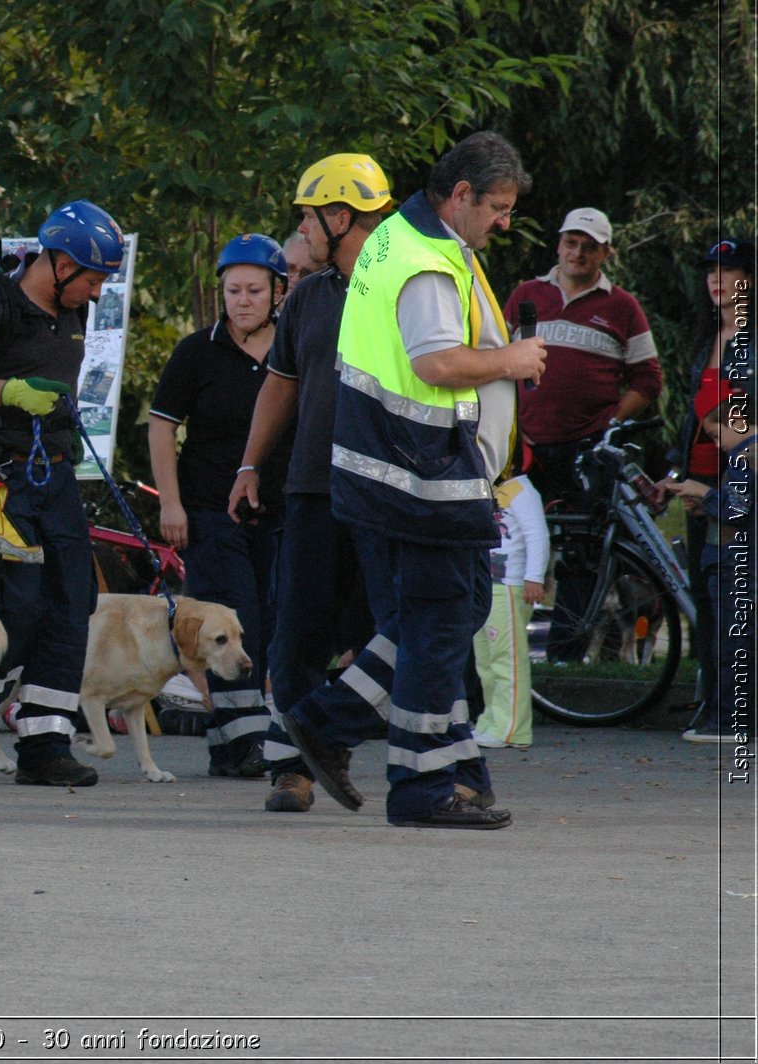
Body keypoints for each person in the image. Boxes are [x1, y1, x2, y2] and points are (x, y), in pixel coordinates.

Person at [280, 131, 547, 829]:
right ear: (459, 195)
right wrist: (513, 359)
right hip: (422, 469)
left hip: (395, 467)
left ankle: (447, 762)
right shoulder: (426, 261)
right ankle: (415, 779)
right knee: (439, 621)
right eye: (498, 205)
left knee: (433, 619)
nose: (505, 221)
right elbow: (436, 364)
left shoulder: (396, 242)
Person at [0, 199, 124, 787]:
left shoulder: (72, 308)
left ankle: (45, 745)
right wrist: (10, 390)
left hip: (53, 472)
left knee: (72, 600)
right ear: (59, 262)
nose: (94, 293)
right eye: (90, 278)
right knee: (16, 605)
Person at [227, 152, 393, 812]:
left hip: (384, 490)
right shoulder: (309, 300)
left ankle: (334, 739)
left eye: (307, 216)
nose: (300, 230)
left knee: (384, 629)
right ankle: (291, 769)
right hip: (311, 488)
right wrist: (248, 465)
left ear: (340, 215)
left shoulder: (405, 290)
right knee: (297, 629)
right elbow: (281, 384)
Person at [149, 233, 288, 777]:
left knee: (273, 623)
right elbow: (162, 428)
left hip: (279, 511)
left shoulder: (294, 346)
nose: (243, 300)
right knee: (234, 621)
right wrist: (172, 506)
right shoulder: (196, 350)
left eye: (255, 289)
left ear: (278, 292)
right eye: (233, 290)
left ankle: (231, 747)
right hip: (210, 509)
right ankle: (245, 740)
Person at [655, 237, 755, 719]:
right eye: (710, 270)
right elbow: (698, 417)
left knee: (733, 599)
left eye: (727, 269)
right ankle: (711, 700)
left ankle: (729, 713)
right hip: (698, 478)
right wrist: (673, 473)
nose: (714, 278)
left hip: (737, 487)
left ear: (749, 280)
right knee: (706, 596)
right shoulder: (709, 337)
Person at [507, 208, 661, 502]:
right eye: (571, 243)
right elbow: (497, 364)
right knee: (525, 541)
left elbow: (649, 380)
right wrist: (510, 427)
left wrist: (611, 424)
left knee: (589, 539)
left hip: (589, 450)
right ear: (559, 245)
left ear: (606, 253)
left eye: (589, 247)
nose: (578, 253)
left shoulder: (623, 307)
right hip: (525, 449)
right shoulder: (525, 296)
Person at [663, 386, 754, 743]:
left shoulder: (745, 457)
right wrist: (707, 506)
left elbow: (737, 510)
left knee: (730, 645)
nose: (717, 445)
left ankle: (729, 723)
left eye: (717, 435)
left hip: (734, 563)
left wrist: (704, 494)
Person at [471, 467, 549, 749]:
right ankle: (491, 721)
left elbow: (537, 535)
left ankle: (512, 729)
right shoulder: (484, 487)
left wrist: (534, 577)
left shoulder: (520, 489)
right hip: (484, 584)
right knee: (486, 663)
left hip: (509, 584)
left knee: (508, 660)